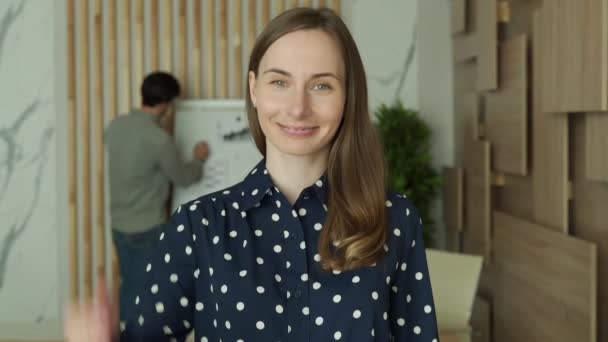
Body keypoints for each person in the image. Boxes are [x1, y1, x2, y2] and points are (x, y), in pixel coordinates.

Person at [65, 8, 438, 342]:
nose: (298, 107)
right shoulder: (197, 227)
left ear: (348, 97)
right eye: (279, 82)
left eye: (321, 85)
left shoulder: (395, 219)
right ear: (254, 89)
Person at [104, 71, 209, 326]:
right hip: (147, 228)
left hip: (118, 223)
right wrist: (198, 159)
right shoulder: (158, 140)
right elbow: (183, 178)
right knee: (149, 292)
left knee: (129, 286)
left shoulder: (114, 127)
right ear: (165, 103)